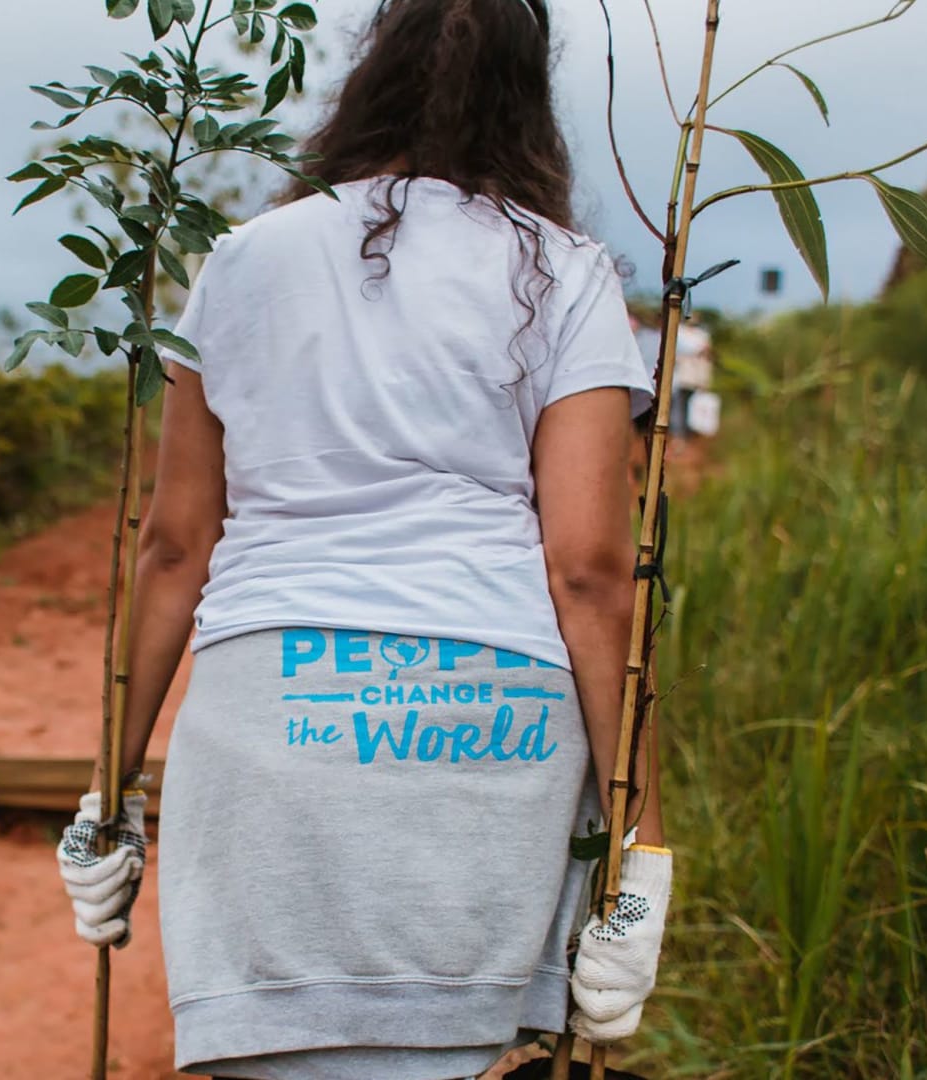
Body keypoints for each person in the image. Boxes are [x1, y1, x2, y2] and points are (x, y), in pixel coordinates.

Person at [55, 1, 674, 1076]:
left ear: (371, 71)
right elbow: (589, 573)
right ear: (530, 99)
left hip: (271, 716)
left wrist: (110, 795)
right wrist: (645, 842)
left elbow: (174, 547)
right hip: (498, 728)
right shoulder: (563, 270)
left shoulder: (241, 261)